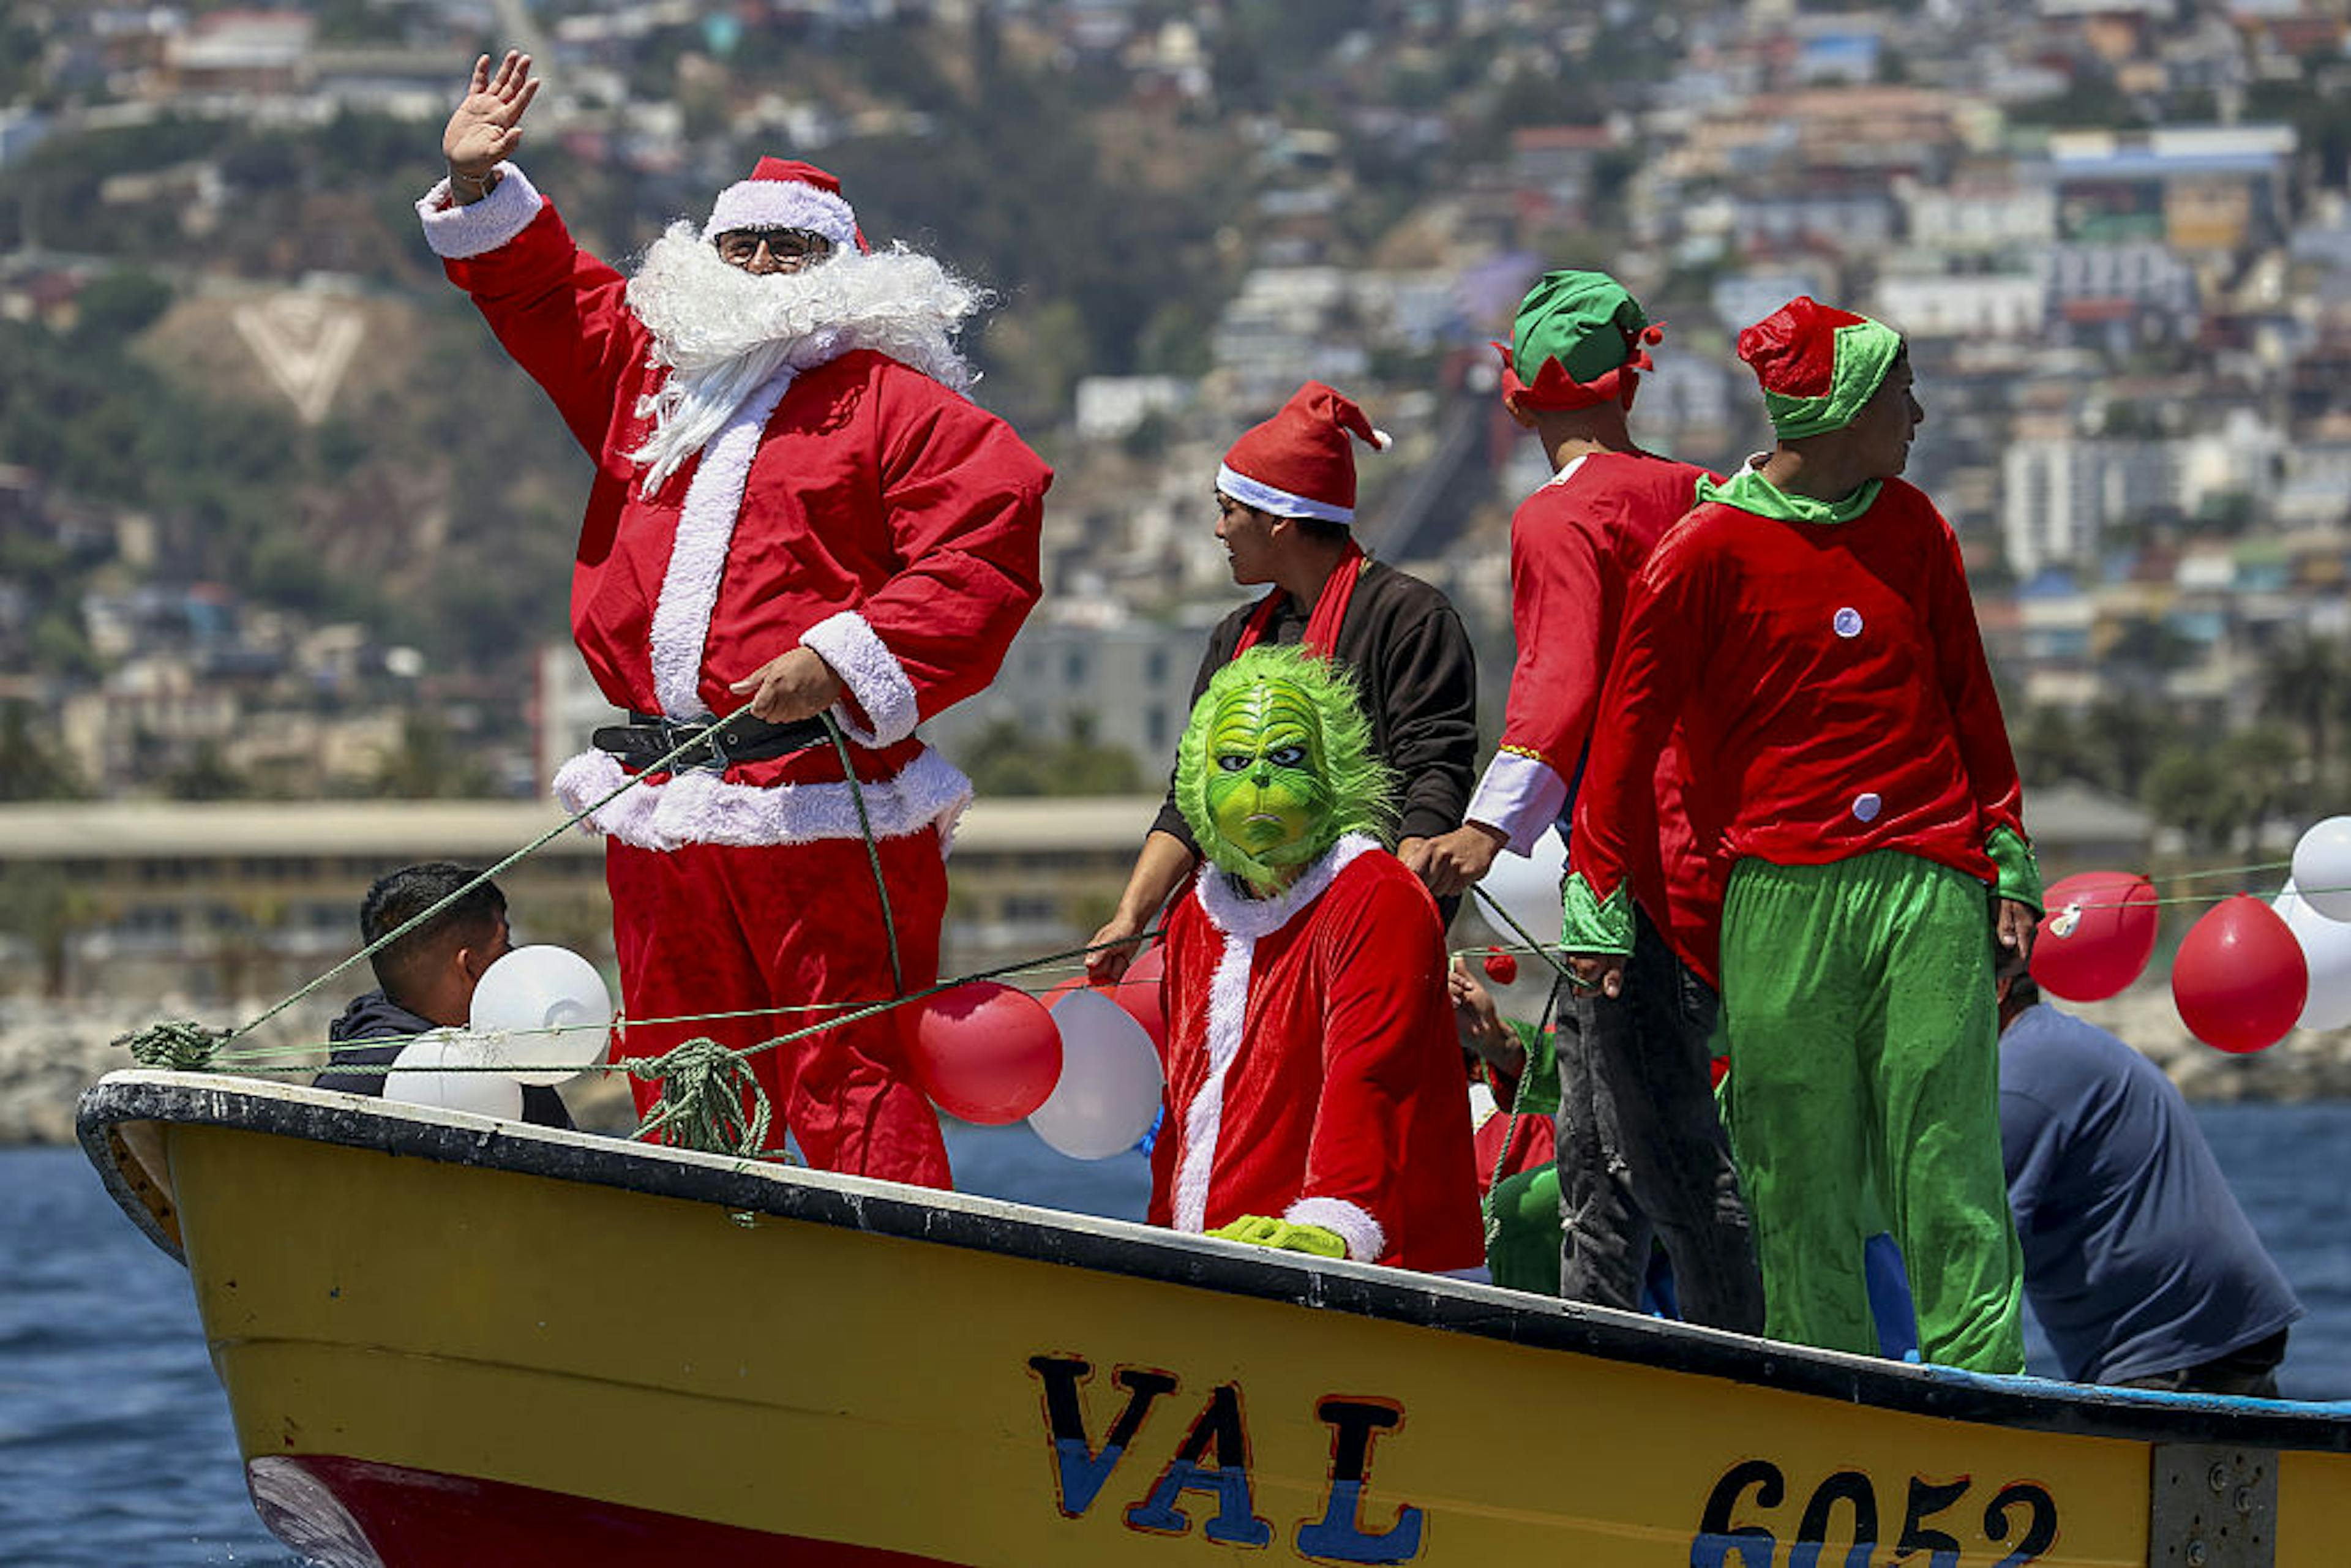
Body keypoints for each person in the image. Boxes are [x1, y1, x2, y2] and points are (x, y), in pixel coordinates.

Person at [420, 54, 1050, 1187]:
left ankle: (887, 1262)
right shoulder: (649, 380)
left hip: (821, 798)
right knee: (683, 1066)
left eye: (789, 248)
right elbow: (550, 296)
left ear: (844, 268)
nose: (759, 265)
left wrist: (841, 659)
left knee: (845, 1068)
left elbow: (986, 548)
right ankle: (702, 1263)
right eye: (741, 244)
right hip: (666, 799)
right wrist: (478, 185)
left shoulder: (897, 405)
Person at [1561, 296, 2042, 1373]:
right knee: (1796, 1168)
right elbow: (1624, 742)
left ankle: (1983, 1382)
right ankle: (1828, 1386)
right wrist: (1597, 900)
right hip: (1779, 893)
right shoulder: (1703, 550)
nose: (1918, 415)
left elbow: (1972, 706)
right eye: (1902, 394)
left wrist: (2008, 858)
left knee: (1950, 1151)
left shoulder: (1916, 527)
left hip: (1928, 873)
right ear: (1846, 409)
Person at [1418, 270, 1762, 1332]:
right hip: (1734, 857)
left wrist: (1486, 827)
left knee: (1662, 1153)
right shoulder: (1709, 496)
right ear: (1630, 382)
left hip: (1632, 872)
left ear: (1520, 398)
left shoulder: (1561, 516)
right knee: (1593, 1143)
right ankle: (1594, 1340)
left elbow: (1559, 681)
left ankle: (1729, 1365)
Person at [1087, 383, 1477, 982]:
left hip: (1364, 931)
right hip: (1249, 937)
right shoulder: (1235, 637)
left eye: (1229, 510)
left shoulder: (1409, 616)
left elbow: (1434, 769)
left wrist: (1397, 903)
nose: (1219, 530)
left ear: (1278, 521)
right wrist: (1129, 917)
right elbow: (1191, 798)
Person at [1148, 645, 1483, 1272]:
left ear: (1332, 766)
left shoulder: (1378, 895)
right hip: (1216, 1266)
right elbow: (1184, 1103)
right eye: (1234, 762)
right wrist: (1160, 1243)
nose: (1259, 780)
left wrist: (1335, 1221)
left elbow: (1371, 1073)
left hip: (1387, 1274)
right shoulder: (1196, 915)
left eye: (1286, 757)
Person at [1998, 959, 2302, 1395]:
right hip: (2222, 1327)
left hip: (2170, 1344)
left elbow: (1975, 1246)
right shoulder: (2057, 1041)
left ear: (1998, 988)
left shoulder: (2017, 1073)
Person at [318, 862, 574, 1130]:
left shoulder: (342, 1082)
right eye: (504, 945)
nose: (513, 957)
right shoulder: (368, 1077)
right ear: (468, 966)